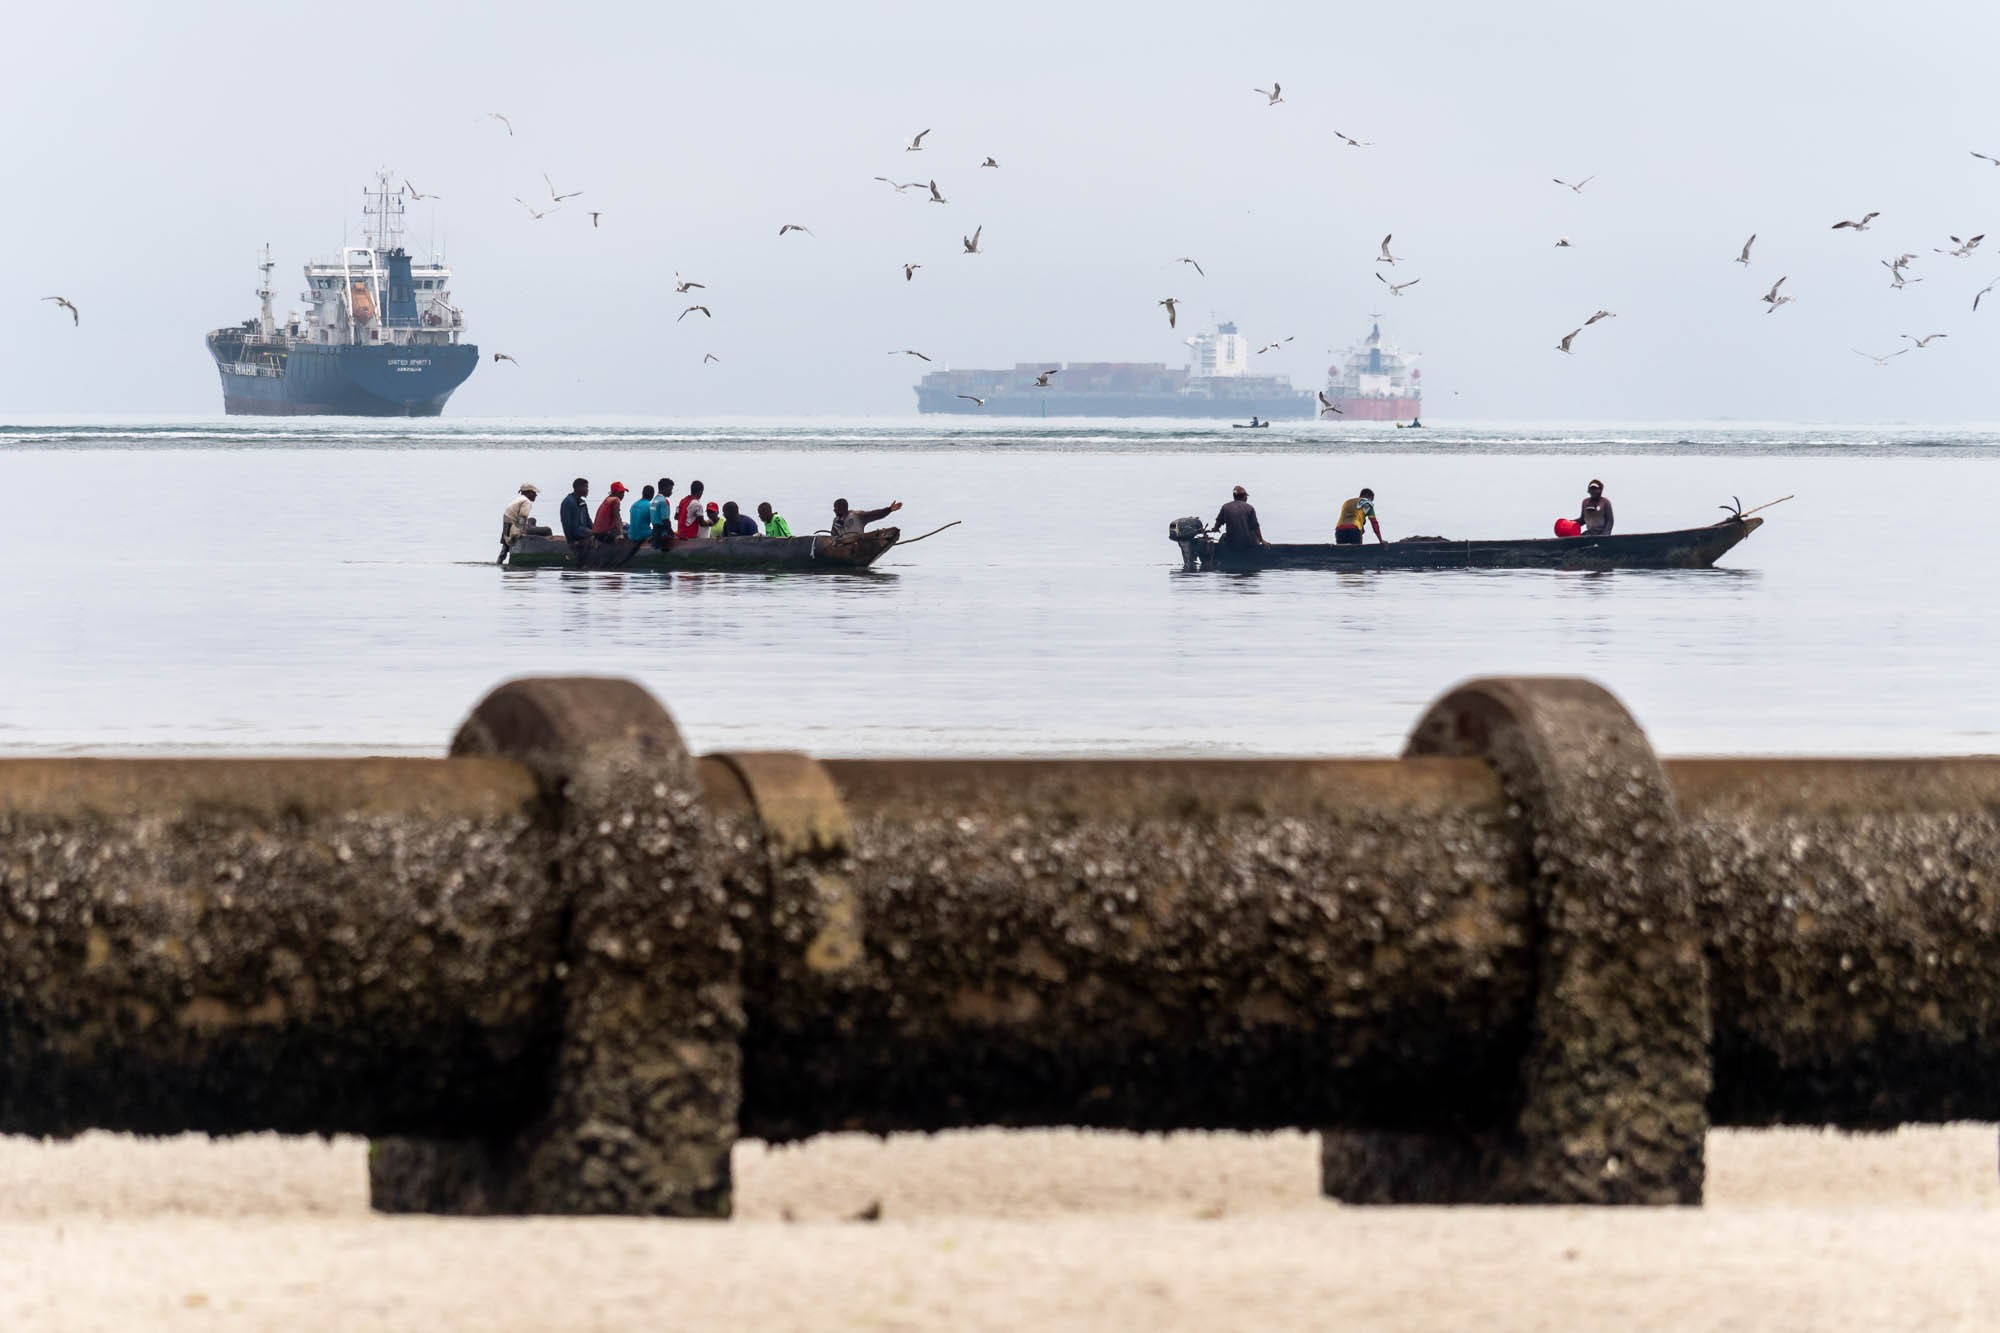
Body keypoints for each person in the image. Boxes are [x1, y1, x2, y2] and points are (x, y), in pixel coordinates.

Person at [1211, 484, 1269, 549]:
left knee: (1223, 537)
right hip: (1249, 543)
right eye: (1246, 496)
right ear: (1244, 497)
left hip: (1233, 543)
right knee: (1254, 536)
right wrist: (1262, 540)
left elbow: (1218, 522)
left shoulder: (1225, 507)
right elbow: (1255, 526)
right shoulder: (1250, 508)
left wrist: (1215, 528)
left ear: (1234, 496)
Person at [831, 497, 902, 537]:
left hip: (857, 544)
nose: (834, 510)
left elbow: (875, 514)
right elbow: (833, 536)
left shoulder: (857, 515)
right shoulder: (836, 520)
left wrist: (889, 509)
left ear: (843, 508)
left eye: (836, 508)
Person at [559, 477, 592, 547]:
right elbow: (566, 523)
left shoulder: (582, 502)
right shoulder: (568, 501)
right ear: (578, 487)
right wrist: (571, 541)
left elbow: (588, 520)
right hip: (576, 532)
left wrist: (596, 530)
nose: (587, 490)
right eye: (585, 487)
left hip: (584, 531)